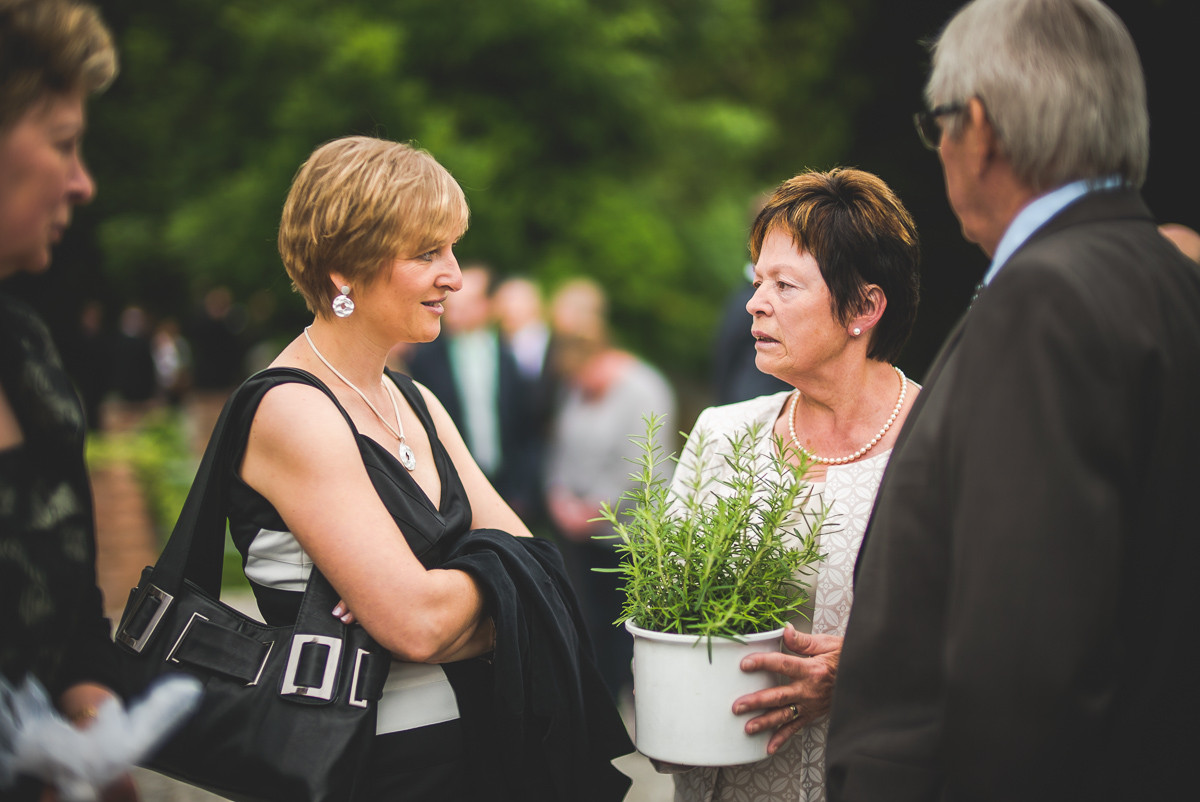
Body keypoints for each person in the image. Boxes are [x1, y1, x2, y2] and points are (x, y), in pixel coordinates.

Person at [826, 2, 1200, 800]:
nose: (942, 154)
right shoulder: (1169, 280)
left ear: (982, 128)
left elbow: (1025, 662)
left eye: (939, 128)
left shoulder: (1045, 300)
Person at [225, 136, 631, 800]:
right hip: (368, 767)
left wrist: (449, 585)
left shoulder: (415, 400)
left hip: (474, 752)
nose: (457, 276)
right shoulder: (291, 410)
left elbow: (544, 571)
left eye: (452, 248)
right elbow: (417, 624)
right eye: (427, 253)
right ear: (343, 271)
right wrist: (489, 579)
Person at [667, 168, 920, 802]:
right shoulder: (722, 435)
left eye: (785, 284)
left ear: (864, 306)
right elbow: (663, 611)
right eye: (757, 282)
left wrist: (862, 669)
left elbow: (995, 633)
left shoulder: (947, 442)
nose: (755, 302)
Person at [0, 1, 137, 799]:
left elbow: (72, 616)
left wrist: (93, 718)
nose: (83, 183)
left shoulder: (29, 356)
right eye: (63, 144)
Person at [543, 276, 676, 700]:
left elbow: (643, 469)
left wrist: (594, 510)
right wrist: (558, 495)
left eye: (585, 376)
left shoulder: (644, 390)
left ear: (604, 356)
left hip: (629, 534)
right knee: (591, 620)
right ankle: (600, 703)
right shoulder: (575, 388)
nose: (580, 386)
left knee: (627, 625)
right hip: (581, 533)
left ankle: (635, 701)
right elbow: (559, 446)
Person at [407, 263, 540, 521]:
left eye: (469, 301)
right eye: (454, 301)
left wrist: (523, 491)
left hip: (507, 486)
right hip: (450, 490)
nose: (457, 309)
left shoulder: (509, 357)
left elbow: (526, 428)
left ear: (488, 305)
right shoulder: (425, 359)